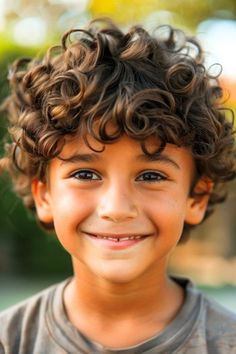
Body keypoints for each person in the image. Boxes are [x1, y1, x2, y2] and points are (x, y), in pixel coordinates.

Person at [0, 17, 235, 354]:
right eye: (85, 175)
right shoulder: (10, 341)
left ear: (196, 197)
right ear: (44, 195)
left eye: (151, 176)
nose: (116, 208)